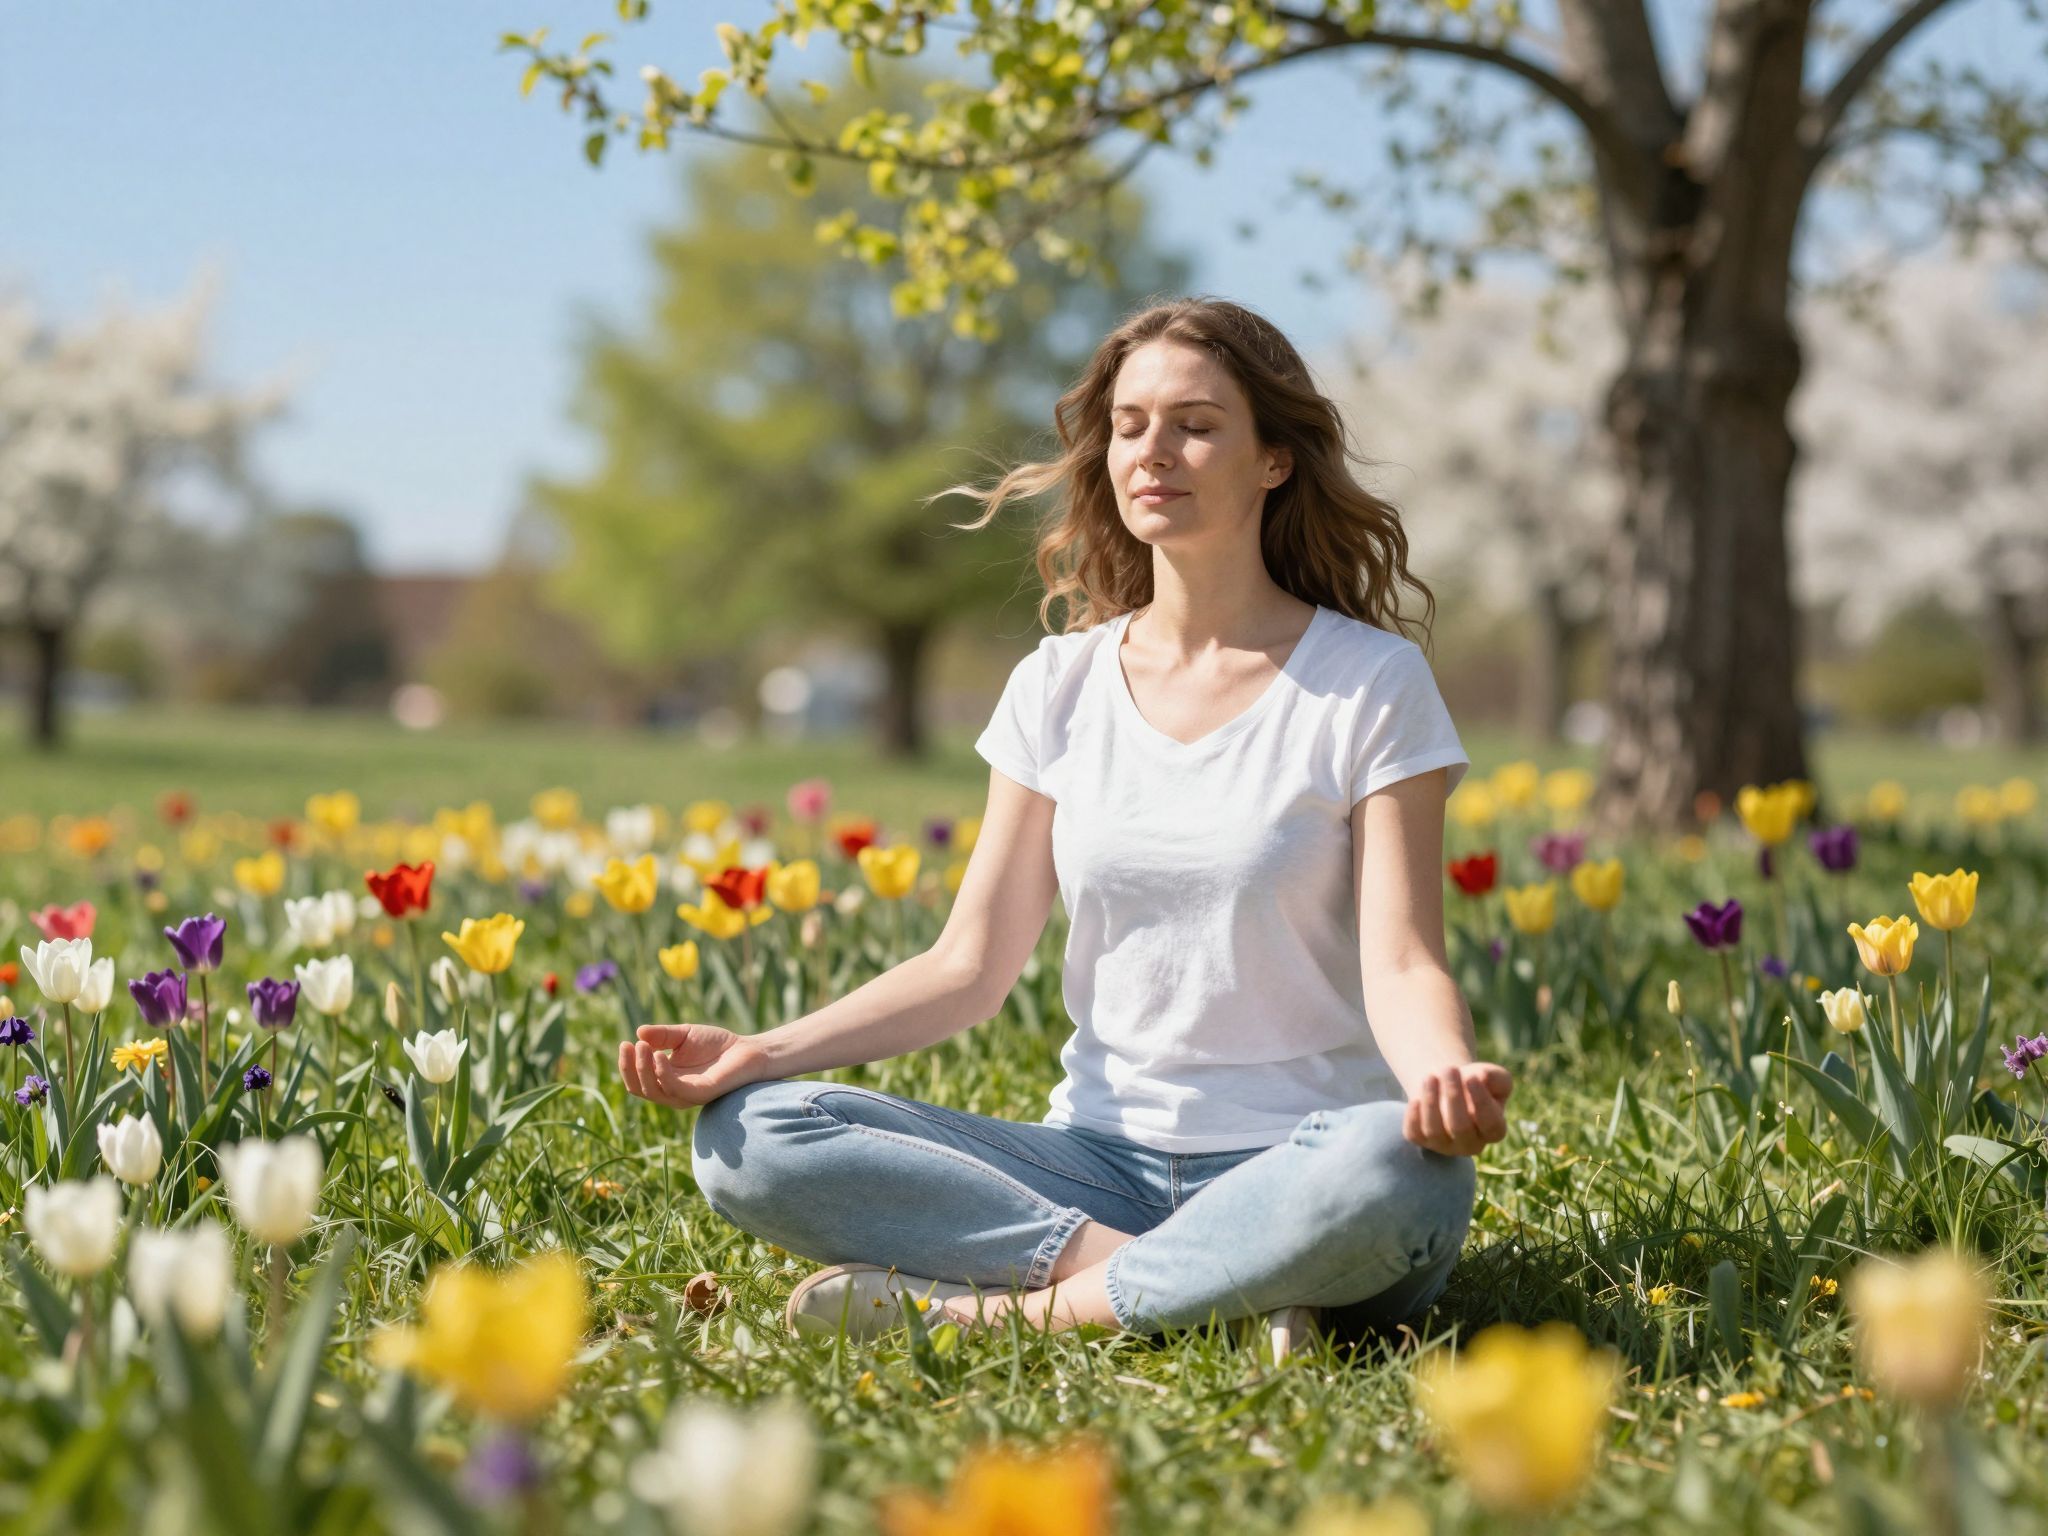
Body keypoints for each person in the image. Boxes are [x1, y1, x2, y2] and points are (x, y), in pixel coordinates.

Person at [617, 296, 1513, 1361]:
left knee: (1395, 1170)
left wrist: (1441, 1079)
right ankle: (1223, 1287)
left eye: (1195, 425)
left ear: (1274, 459)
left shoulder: (1368, 683)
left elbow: (1403, 962)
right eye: (1129, 426)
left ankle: (1001, 1317)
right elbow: (967, 966)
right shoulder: (1057, 685)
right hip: (1096, 1166)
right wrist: (760, 1051)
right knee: (752, 1135)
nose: (1153, 451)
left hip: (1300, 1161)